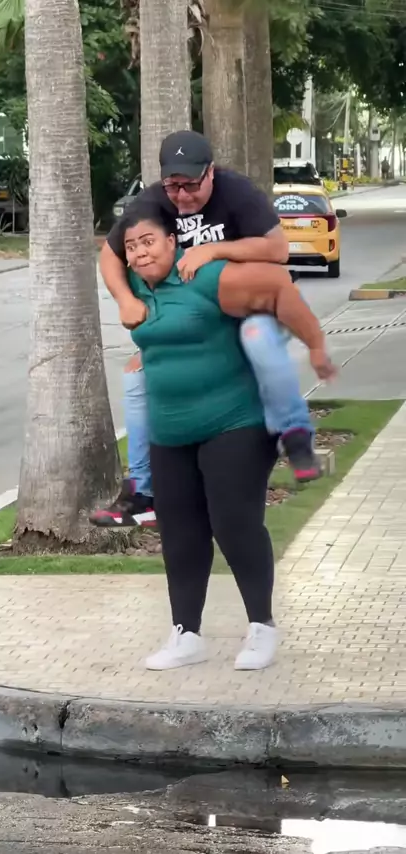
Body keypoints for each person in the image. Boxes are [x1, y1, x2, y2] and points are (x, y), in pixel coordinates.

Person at [114, 202, 329, 670]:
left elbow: (279, 286)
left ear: (173, 242)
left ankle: (261, 627)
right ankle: (185, 634)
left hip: (234, 423)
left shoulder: (207, 277)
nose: (140, 252)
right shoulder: (134, 285)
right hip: (170, 431)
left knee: (234, 525)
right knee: (180, 533)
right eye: (131, 247)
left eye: (148, 241)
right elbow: (107, 258)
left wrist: (315, 344)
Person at [92, 130, 331, 529]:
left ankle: (295, 434)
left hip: (249, 306)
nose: (182, 196)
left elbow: (277, 250)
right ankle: (142, 492)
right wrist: (125, 300)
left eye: (191, 185)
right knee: (135, 376)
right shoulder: (154, 201)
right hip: (196, 317)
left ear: (210, 173)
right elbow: (110, 254)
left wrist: (213, 249)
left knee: (258, 340)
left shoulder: (237, 192)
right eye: (173, 186)